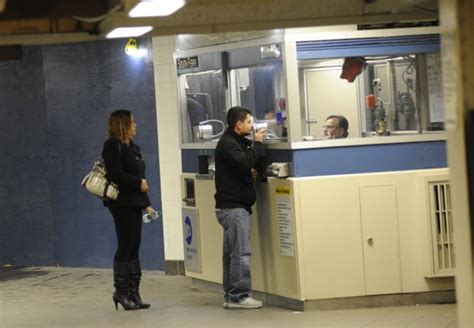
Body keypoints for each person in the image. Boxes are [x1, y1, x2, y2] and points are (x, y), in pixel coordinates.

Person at [102, 109, 157, 311]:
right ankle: (121, 291)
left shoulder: (132, 147)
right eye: (132, 122)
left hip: (134, 202)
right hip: (121, 204)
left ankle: (134, 292)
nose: (136, 125)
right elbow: (115, 174)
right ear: (122, 125)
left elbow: (141, 182)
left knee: (134, 245)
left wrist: (147, 204)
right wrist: (138, 182)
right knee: (125, 245)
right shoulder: (112, 146)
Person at [214, 106, 266, 310]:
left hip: (233, 207)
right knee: (241, 253)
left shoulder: (235, 143)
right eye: (249, 122)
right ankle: (239, 296)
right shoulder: (228, 144)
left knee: (231, 254)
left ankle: (230, 295)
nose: (252, 126)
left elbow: (243, 166)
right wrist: (258, 144)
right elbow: (245, 162)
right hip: (233, 208)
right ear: (239, 124)